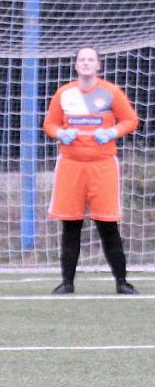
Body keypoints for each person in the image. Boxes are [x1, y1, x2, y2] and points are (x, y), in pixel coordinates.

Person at [43, 45, 139, 295]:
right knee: (71, 225)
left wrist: (112, 131)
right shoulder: (64, 93)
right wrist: (61, 133)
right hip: (70, 165)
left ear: (98, 65)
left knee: (107, 225)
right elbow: (49, 123)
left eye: (90, 59)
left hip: (103, 165)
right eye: (82, 60)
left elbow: (130, 120)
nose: (86, 63)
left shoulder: (110, 92)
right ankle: (67, 282)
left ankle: (122, 281)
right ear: (76, 65)